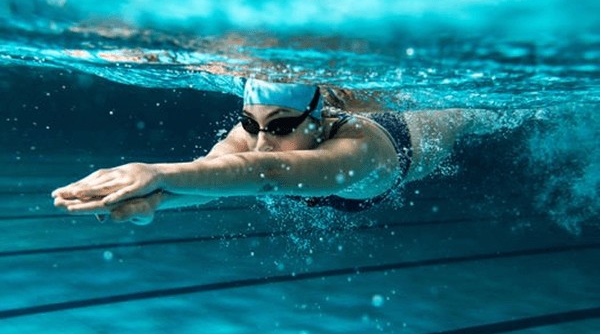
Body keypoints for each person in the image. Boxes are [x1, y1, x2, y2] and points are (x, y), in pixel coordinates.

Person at [52, 79, 498, 224]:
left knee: (474, 114)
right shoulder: (255, 135)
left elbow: (273, 170)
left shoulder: (360, 149)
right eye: (251, 123)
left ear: (318, 118)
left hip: (415, 135)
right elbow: (211, 174)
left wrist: (152, 171)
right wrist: (153, 201)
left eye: (282, 126)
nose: (262, 139)